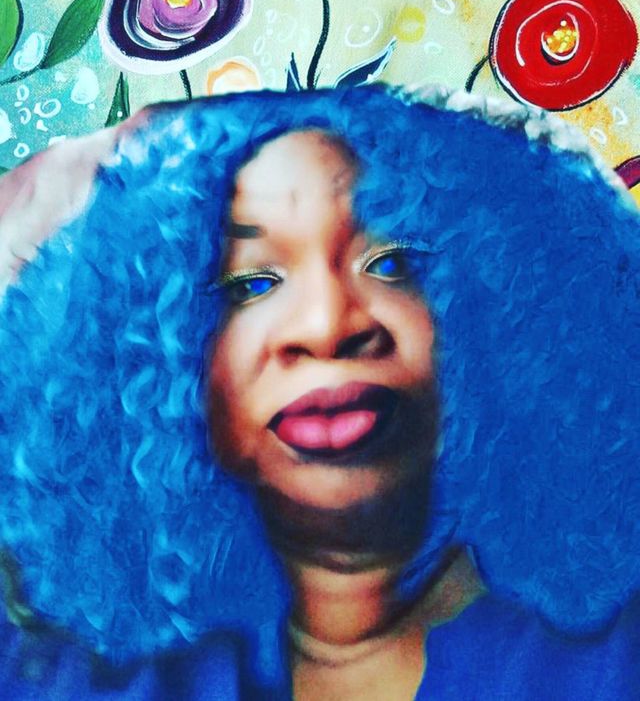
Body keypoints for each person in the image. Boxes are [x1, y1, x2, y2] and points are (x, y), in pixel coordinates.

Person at [0, 85, 639, 699]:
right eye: (251, 284)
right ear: (151, 365)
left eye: (392, 264)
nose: (326, 324)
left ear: (503, 321)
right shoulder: (54, 673)